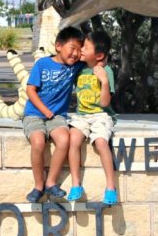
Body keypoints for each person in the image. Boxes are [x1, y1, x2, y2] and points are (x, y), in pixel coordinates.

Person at [23, 26, 84, 202]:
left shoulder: (74, 67)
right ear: (58, 46)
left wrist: (86, 53)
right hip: (35, 113)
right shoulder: (42, 64)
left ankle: (51, 182)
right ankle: (38, 185)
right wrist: (45, 111)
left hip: (57, 116)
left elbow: (92, 56)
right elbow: (30, 90)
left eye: (79, 51)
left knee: (64, 140)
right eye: (72, 48)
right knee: (38, 142)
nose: (75, 54)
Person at [65, 30, 119, 205]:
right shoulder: (79, 69)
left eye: (85, 48)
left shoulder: (106, 71)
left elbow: (104, 103)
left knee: (101, 143)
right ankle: (76, 184)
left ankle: (111, 186)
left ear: (99, 55)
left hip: (101, 115)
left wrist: (103, 81)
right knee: (73, 140)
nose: (80, 50)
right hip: (81, 115)